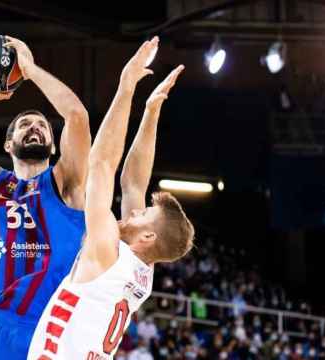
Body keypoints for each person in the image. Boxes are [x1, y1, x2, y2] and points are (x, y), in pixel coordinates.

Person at [28, 38, 194, 360]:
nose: (134, 212)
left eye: (143, 214)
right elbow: (133, 183)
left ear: (147, 236)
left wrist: (126, 85)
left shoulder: (108, 251)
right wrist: (150, 112)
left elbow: (102, 165)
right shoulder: (141, 273)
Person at [0, 35, 90, 359]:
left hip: (45, 331)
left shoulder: (68, 183)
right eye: (24, 124)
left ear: (53, 146)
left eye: (41, 126)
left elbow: (77, 116)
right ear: (8, 144)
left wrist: (30, 69)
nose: (34, 127)